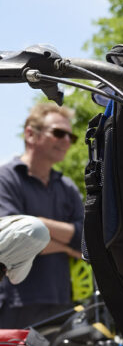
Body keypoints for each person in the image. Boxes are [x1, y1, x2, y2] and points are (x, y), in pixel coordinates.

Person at [0, 102, 83, 331]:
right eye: (58, 133)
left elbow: (85, 241)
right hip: (14, 303)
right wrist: (67, 245)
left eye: (71, 137)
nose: (66, 140)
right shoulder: (5, 178)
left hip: (60, 302)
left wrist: (37, 223)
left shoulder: (66, 186)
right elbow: (12, 240)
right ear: (30, 134)